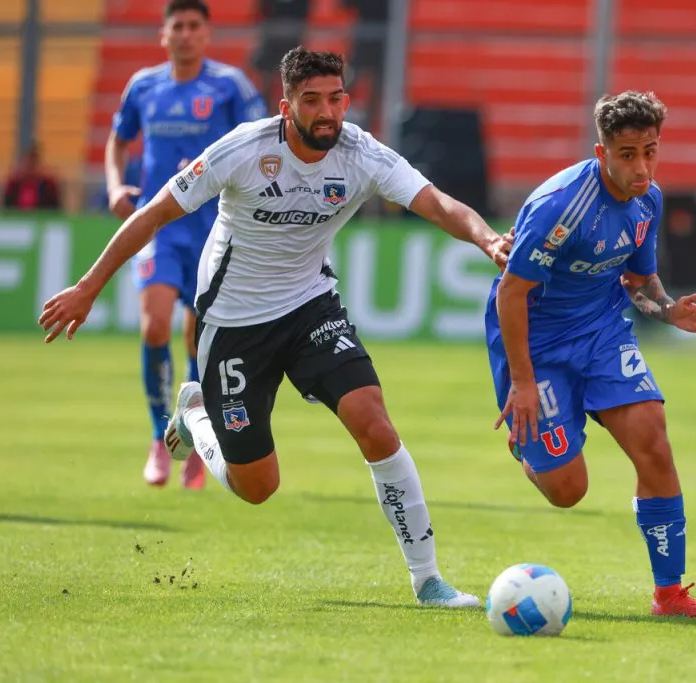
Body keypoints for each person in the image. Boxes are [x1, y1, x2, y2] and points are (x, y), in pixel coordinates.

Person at [40, 48, 510, 608]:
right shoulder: (243, 149)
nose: (327, 112)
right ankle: (196, 416)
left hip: (310, 305)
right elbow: (155, 213)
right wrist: (88, 286)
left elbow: (438, 204)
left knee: (374, 422)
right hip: (233, 323)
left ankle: (428, 579)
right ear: (286, 106)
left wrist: (486, 239)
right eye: (312, 101)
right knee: (258, 488)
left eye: (336, 99)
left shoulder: (362, 153)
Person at [486, 91, 696, 619]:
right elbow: (511, 293)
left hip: (602, 334)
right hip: (540, 345)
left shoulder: (650, 199)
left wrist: (667, 311)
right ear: (602, 153)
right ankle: (528, 448)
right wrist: (523, 385)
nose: (641, 167)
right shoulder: (561, 206)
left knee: (654, 442)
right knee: (568, 490)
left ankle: (669, 594)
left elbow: (640, 281)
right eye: (627, 154)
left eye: (651, 151)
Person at [105, 0, 268, 488]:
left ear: (207, 34)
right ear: (164, 35)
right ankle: (160, 436)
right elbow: (118, 140)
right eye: (177, 26)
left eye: (195, 26)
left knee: (199, 340)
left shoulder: (230, 86)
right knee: (155, 326)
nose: (186, 34)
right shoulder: (143, 85)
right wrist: (116, 185)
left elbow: (260, 140)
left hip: (214, 227)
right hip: (161, 228)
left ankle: (199, 438)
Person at [1, 142, 62, 211]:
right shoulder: (13, 185)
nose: (29, 167)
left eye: (33, 163)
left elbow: (55, 210)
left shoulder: (48, 185)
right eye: (26, 163)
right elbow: (5, 209)